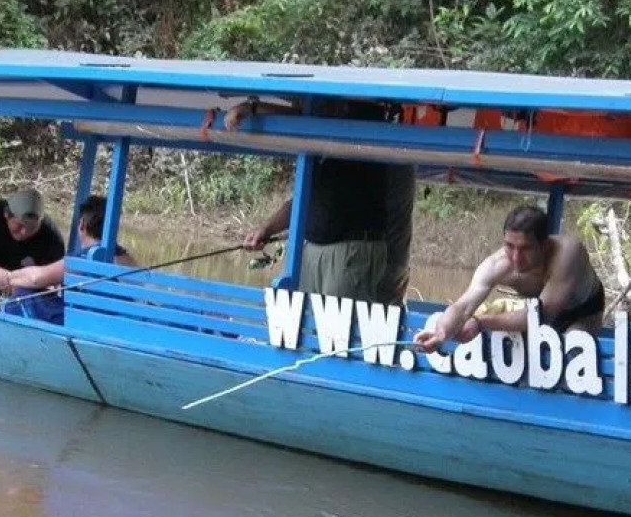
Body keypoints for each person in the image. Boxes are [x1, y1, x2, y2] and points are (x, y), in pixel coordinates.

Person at [234, 100, 415, 305]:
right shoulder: (321, 144)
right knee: (304, 325)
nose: (326, 110)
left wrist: (254, 108)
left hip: (352, 250)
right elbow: (303, 199)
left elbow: (304, 119)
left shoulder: (369, 133)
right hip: (315, 248)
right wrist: (266, 229)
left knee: (339, 332)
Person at [413, 205, 605, 352]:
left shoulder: (567, 253)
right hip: (534, 312)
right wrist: (441, 334)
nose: (515, 257)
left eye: (525, 249)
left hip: (582, 313)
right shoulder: (498, 264)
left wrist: (481, 322)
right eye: (509, 246)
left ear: (544, 246)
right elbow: (463, 306)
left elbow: (540, 315)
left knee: (569, 353)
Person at [0, 194, 135, 324]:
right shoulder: (127, 259)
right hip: (124, 323)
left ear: (81, 223)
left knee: (23, 292)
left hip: (86, 325)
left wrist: (8, 277)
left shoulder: (86, 259)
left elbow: (37, 278)